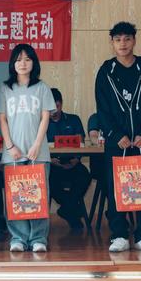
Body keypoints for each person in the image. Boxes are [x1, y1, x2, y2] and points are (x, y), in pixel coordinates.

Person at [94, 21, 141, 253]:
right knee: (116, 188)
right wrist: (115, 134)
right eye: (118, 39)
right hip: (117, 143)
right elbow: (102, 110)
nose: (122, 43)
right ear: (112, 43)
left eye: (127, 39)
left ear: (134, 41)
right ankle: (119, 234)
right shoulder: (106, 72)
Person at [0, 44, 55, 252]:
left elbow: (45, 118)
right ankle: (18, 238)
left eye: (27, 59)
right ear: (12, 63)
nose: (23, 63)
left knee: (39, 195)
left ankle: (39, 238)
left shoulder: (42, 88)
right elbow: (2, 119)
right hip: (12, 153)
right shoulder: (5, 88)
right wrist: (10, 146)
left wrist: (37, 145)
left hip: (38, 152)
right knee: (15, 196)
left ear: (34, 63)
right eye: (18, 59)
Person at [47, 88, 91, 231]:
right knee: (47, 181)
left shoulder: (73, 119)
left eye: (56, 106)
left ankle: (67, 209)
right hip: (53, 165)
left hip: (73, 163)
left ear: (61, 104)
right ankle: (71, 211)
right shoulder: (41, 123)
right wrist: (49, 160)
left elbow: (81, 142)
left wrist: (77, 159)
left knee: (85, 176)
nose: (53, 111)